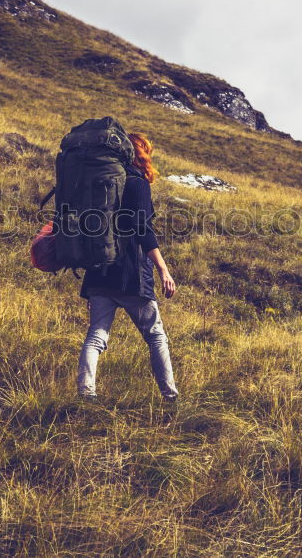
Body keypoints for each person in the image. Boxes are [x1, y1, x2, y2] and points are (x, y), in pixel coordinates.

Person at [76, 132, 179, 402]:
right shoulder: (137, 184)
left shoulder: (101, 182)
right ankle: (170, 398)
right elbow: (143, 230)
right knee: (156, 336)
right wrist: (163, 270)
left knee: (96, 336)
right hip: (131, 273)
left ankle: (86, 394)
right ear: (141, 153)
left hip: (99, 269)